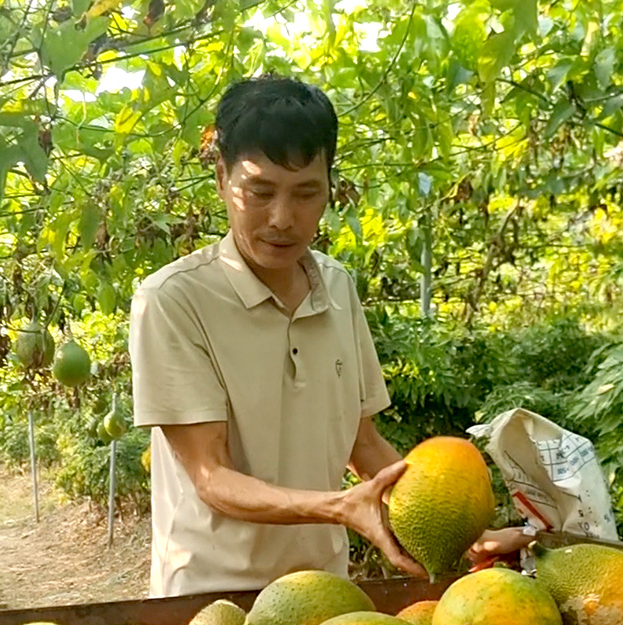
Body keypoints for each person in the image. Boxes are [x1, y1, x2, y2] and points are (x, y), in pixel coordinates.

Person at [129, 75, 523, 597]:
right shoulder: (174, 300)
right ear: (223, 178)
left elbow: (363, 445)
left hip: (323, 595)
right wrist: (339, 507)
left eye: (306, 193)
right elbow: (211, 476)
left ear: (330, 188)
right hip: (210, 600)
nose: (282, 219)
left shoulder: (336, 288)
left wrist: (462, 536)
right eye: (260, 191)